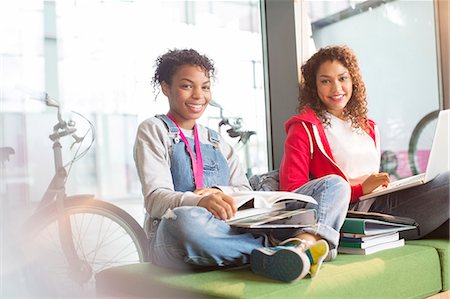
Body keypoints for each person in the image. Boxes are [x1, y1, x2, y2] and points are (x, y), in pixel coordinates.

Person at [133, 48, 351, 282]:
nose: (198, 95)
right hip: (178, 236)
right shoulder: (154, 129)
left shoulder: (216, 141)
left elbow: (244, 192)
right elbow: (155, 198)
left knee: (336, 185)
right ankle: (289, 246)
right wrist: (199, 201)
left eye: (205, 87)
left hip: (228, 229)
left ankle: (289, 247)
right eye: (187, 86)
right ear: (166, 88)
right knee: (185, 222)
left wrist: (220, 193)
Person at [279, 45, 449, 240]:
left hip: (381, 203)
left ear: (353, 81)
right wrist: (359, 190)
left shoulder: (367, 127)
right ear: (314, 86)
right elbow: (292, 194)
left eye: (343, 78)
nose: (336, 88)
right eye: (326, 81)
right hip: (352, 215)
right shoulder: (304, 129)